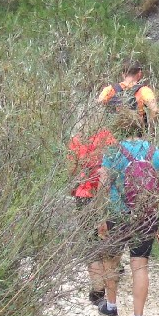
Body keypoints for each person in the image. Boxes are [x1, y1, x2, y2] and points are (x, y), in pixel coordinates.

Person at [96, 111, 159, 316]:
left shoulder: (113, 152)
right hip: (146, 216)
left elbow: (102, 185)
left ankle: (111, 306)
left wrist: (100, 215)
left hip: (118, 215)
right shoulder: (154, 152)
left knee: (111, 260)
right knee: (140, 265)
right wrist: (152, 204)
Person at [68, 121, 117, 306]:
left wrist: (72, 186)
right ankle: (109, 281)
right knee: (106, 239)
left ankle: (97, 290)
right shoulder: (108, 137)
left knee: (90, 241)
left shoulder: (76, 140)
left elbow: (72, 170)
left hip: (84, 194)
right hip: (106, 196)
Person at [99, 59, 158, 131]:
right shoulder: (145, 91)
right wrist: (151, 130)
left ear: (123, 74)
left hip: (111, 133)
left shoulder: (109, 89)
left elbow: (98, 107)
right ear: (139, 73)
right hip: (136, 134)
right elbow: (154, 110)